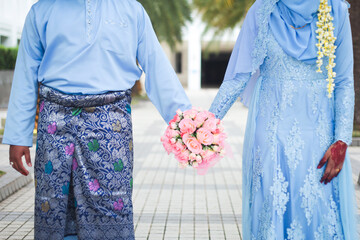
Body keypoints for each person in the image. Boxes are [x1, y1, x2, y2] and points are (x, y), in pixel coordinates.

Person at [2, 0, 191, 239]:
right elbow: (25, 73)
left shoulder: (131, 10)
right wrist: (19, 136)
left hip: (112, 128)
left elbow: (156, 66)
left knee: (113, 207)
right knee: (54, 207)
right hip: (55, 127)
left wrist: (186, 124)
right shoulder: (42, 10)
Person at [209, 0, 358, 239]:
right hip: (271, 137)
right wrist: (204, 125)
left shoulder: (335, 10)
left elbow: (343, 81)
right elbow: (239, 76)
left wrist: (342, 139)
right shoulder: (261, 10)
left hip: (320, 139)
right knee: (272, 209)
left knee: (317, 210)